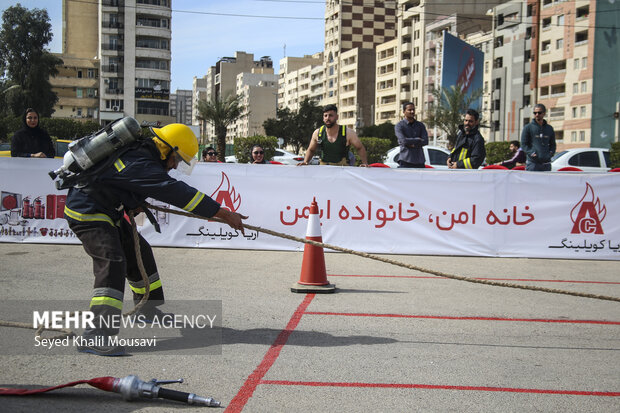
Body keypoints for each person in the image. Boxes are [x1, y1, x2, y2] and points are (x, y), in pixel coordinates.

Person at [64, 122, 246, 356]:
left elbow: (119, 181)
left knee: (141, 252)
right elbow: (180, 194)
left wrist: (132, 199)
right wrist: (224, 214)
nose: (175, 165)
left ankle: (146, 309)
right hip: (88, 212)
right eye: (176, 159)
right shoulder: (141, 163)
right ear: (167, 149)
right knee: (112, 262)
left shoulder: (143, 156)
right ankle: (96, 336)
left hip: (109, 209)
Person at [299, 104, 368, 166]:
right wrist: (305, 162)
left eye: (331, 115)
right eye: (325, 116)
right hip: (324, 168)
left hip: (342, 169)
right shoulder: (317, 133)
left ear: (337, 117)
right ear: (323, 118)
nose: (327, 118)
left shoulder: (348, 132)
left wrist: (365, 163)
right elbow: (311, 150)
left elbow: (360, 148)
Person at [521, 103, 556, 171]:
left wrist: (551, 153)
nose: (537, 115)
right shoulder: (528, 127)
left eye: (539, 113)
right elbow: (523, 144)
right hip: (533, 163)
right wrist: (531, 153)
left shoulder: (549, 128)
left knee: (546, 181)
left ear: (544, 113)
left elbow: (553, 144)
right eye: (535, 113)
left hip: (546, 163)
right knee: (531, 181)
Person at [394, 102, 428, 168]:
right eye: (409, 110)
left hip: (419, 161)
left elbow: (425, 141)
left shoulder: (420, 125)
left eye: (413, 109)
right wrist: (418, 139)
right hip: (405, 161)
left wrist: (410, 143)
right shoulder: (399, 126)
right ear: (404, 111)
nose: (412, 112)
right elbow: (403, 140)